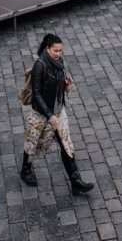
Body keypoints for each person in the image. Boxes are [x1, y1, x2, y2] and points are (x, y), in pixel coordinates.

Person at [20, 33, 94, 195]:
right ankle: (25, 170)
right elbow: (37, 94)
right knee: (33, 143)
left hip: (59, 112)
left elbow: (59, 80)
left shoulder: (59, 62)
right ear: (47, 49)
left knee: (66, 144)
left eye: (61, 51)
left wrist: (66, 85)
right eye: (56, 50)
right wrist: (49, 115)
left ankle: (76, 181)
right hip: (41, 114)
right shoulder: (40, 65)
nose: (59, 54)